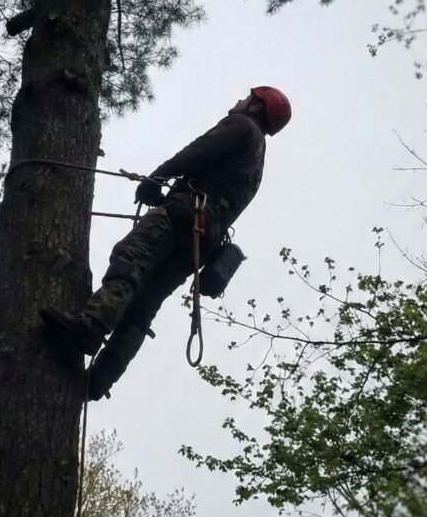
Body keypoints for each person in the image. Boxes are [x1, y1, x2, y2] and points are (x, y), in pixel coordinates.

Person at [41, 86, 292, 401]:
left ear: (257, 107)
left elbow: (198, 152)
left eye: (246, 98)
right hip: (200, 243)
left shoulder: (243, 128)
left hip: (184, 215)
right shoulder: (257, 160)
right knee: (144, 302)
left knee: (131, 257)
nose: (238, 101)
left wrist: (155, 179)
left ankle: (92, 325)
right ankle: (101, 378)